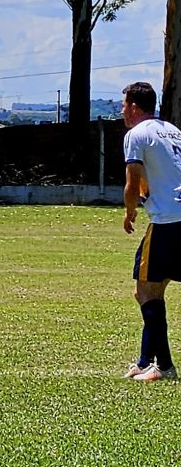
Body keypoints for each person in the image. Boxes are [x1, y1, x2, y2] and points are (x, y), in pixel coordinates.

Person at [120, 81, 181, 382]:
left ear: (133, 107)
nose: (121, 112)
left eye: (123, 105)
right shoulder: (172, 131)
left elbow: (133, 182)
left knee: (146, 290)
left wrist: (130, 211)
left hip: (168, 220)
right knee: (150, 288)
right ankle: (146, 361)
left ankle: (165, 367)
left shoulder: (136, 134)